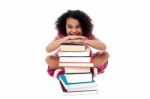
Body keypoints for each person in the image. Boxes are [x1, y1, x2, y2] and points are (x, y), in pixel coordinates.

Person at [45, 10, 109, 78]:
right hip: (65, 61)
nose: (74, 30)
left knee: (105, 54)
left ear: (84, 27)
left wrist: (85, 41)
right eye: (70, 27)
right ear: (64, 27)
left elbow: (103, 47)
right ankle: (85, 70)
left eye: (78, 27)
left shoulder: (87, 35)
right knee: (48, 59)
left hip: (85, 61)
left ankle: (77, 69)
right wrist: (65, 39)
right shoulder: (62, 35)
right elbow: (48, 49)